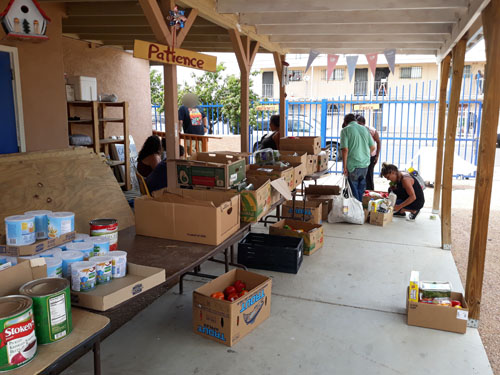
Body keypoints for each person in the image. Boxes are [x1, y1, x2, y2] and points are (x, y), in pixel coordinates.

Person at [340, 113, 375, 202]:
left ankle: (356, 211)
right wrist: (366, 155)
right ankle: (360, 210)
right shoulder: (365, 129)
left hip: (353, 165)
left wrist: (344, 167)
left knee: (353, 191)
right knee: (361, 189)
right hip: (365, 165)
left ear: (345, 122)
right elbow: (373, 147)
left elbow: (345, 149)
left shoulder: (345, 130)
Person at [356, 115, 381, 191]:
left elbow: (378, 142)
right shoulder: (355, 130)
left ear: (363, 123)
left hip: (370, 156)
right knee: (359, 175)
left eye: (359, 124)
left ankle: (370, 193)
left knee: (369, 175)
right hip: (360, 156)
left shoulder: (371, 130)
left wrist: (377, 156)